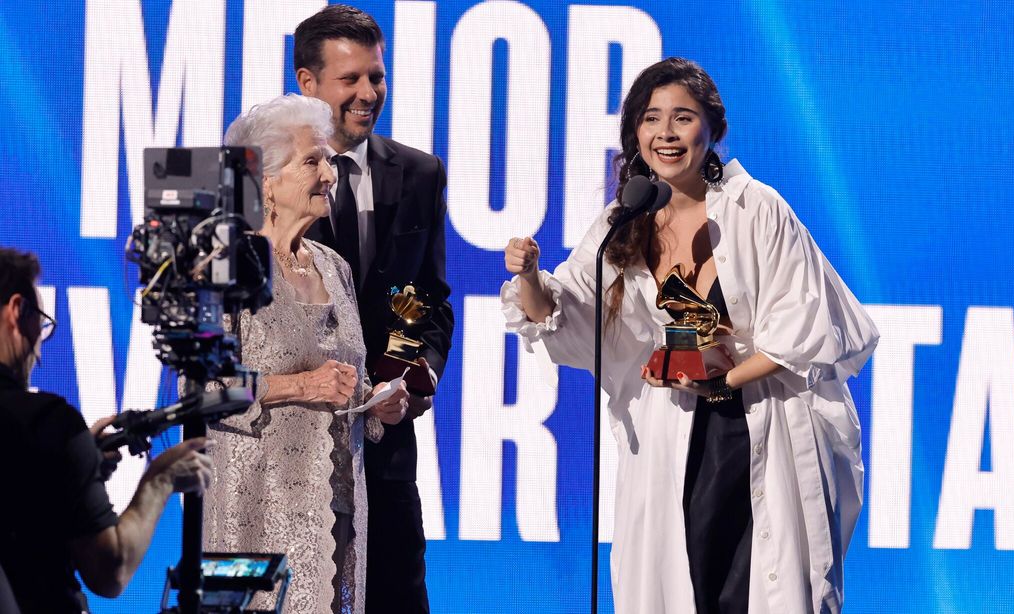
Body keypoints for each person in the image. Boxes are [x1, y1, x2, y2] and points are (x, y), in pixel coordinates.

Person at [503, 58, 879, 614]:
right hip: (669, 441)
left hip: (759, 429)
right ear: (635, 131)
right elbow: (567, 318)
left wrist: (722, 376)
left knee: (759, 588)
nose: (666, 133)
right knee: (679, 586)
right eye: (652, 118)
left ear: (712, 129)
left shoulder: (756, 209)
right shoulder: (622, 221)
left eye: (683, 117)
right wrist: (529, 275)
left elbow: (801, 328)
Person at [203, 93, 409, 614]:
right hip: (253, 513)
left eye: (329, 160)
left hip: (335, 515)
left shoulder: (333, 267)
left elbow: (344, 377)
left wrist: (375, 399)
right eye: (311, 161)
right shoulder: (225, 262)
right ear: (266, 180)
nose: (329, 174)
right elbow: (198, 388)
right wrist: (299, 386)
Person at [295, 6, 454, 612]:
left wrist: (419, 378)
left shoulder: (419, 173)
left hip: (387, 451)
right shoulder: (263, 182)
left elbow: (429, 300)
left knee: (396, 597)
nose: (369, 94)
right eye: (351, 80)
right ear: (308, 84)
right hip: (295, 450)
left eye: (377, 78)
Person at [0, 247, 213, 613]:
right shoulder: (49, 424)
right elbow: (109, 571)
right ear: (17, 311)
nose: (40, 349)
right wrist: (159, 480)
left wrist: (78, 470)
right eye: (43, 322)